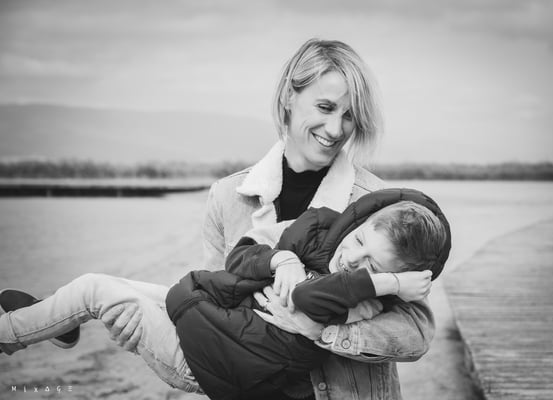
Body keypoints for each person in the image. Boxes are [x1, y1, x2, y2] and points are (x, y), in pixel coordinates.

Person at [104, 38, 439, 400]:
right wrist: (143, 333)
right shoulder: (227, 197)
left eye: (349, 116)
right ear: (289, 97)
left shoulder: (377, 205)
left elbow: (417, 333)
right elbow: (217, 315)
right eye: (325, 107)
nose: (335, 129)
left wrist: (324, 332)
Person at [0, 188, 451, 400]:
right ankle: (49, 323)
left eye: (374, 266)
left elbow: (410, 334)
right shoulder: (318, 234)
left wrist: (385, 285)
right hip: (218, 323)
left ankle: (12, 333)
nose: (354, 261)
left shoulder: (365, 297)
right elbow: (242, 258)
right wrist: (283, 259)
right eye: (358, 243)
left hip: (202, 358)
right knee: (94, 285)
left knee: (97, 291)